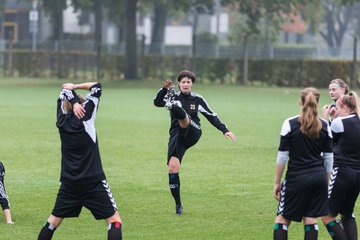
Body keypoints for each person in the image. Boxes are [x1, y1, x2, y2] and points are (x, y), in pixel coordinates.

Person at [37, 82, 122, 240]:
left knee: (53, 222)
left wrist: (73, 99)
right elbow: (96, 87)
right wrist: (75, 86)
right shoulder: (87, 115)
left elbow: (64, 92)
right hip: (93, 181)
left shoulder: (61, 120)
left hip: (69, 183)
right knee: (114, 221)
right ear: (83, 106)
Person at [153, 70, 237, 215]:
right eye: (183, 82)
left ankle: (173, 107)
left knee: (183, 115)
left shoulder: (198, 99)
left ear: (192, 84)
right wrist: (164, 90)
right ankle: (178, 205)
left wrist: (224, 130)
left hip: (193, 131)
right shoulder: (172, 95)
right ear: (179, 83)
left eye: (188, 82)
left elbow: (211, 116)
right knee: (173, 169)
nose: (186, 84)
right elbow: (157, 103)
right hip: (177, 136)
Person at [273, 87, 333, 240]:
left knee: (282, 220)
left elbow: (282, 157)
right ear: (317, 103)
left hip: (296, 179)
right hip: (318, 179)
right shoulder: (325, 125)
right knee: (311, 219)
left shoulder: (290, 123)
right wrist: (327, 182)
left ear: (300, 102)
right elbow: (328, 159)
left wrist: (277, 182)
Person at [322, 92, 360, 240]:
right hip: (358, 175)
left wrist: (327, 118)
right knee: (347, 213)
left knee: (327, 216)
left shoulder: (340, 123)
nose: (335, 110)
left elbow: (325, 139)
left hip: (342, 173)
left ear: (343, 106)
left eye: (337, 107)